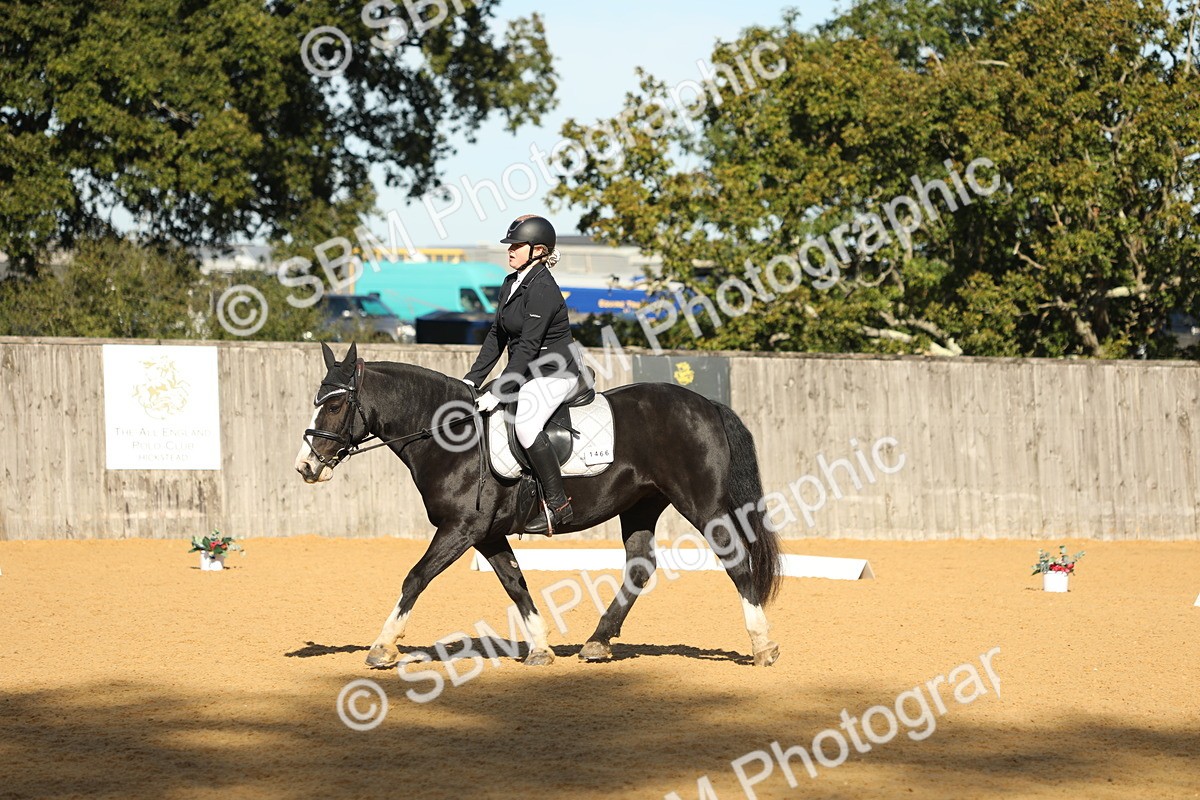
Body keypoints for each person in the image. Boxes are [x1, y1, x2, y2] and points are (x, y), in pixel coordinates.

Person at [462, 214, 581, 534]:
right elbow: (496, 336)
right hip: (527, 372)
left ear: (539, 250)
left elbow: (527, 348)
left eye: (517, 245)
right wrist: (472, 379)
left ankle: (559, 506)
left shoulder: (543, 288)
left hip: (554, 374)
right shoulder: (511, 283)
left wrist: (499, 389)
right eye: (510, 245)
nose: (510, 250)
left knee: (526, 425)